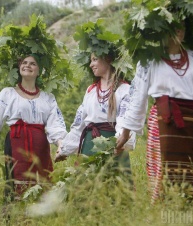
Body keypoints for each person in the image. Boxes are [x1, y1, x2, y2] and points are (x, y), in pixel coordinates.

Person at [116, 3, 193, 203]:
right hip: (164, 123)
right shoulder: (149, 61)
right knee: (166, 176)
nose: (178, 29)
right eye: (173, 24)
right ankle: (166, 218)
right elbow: (138, 98)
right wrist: (126, 133)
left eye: (182, 25)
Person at [0, 54, 67, 201]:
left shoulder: (48, 98)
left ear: (40, 70)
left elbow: (56, 124)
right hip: (16, 144)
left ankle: (40, 218)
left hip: (40, 148)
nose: (27, 66)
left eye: (32, 63)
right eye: (24, 63)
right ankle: (15, 218)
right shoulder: (8, 94)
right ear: (18, 67)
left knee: (41, 185)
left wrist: (61, 144)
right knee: (16, 187)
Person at [55, 20, 136, 180]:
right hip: (89, 145)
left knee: (112, 192)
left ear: (107, 59)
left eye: (95, 59)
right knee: (88, 193)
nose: (91, 64)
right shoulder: (91, 91)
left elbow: (127, 120)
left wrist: (118, 143)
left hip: (111, 145)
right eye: (90, 60)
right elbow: (80, 124)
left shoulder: (124, 89)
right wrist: (63, 149)